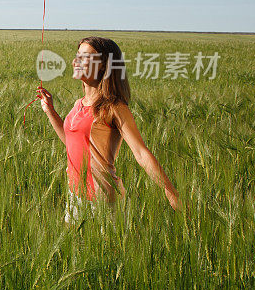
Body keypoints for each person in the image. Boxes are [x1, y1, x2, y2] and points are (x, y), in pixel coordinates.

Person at [36, 36, 181, 222]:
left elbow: (140, 152)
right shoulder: (78, 104)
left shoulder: (114, 107)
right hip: (75, 195)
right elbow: (72, 143)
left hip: (103, 201)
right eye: (77, 55)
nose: (75, 61)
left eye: (85, 57)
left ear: (104, 65)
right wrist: (50, 110)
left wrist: (171, 193)